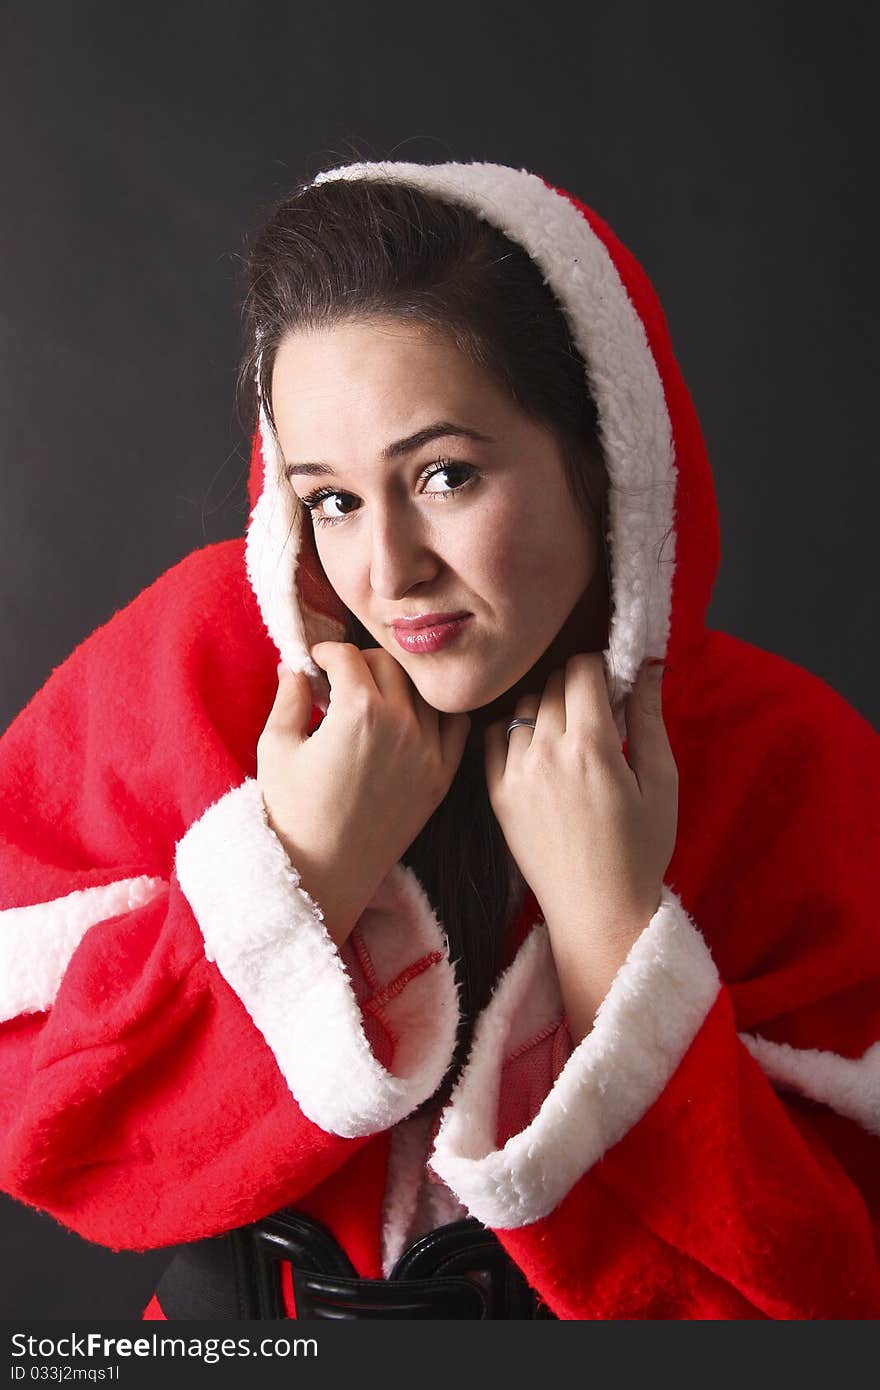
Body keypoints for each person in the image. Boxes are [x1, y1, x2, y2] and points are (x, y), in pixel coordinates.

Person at [0, 159, 877, 1322]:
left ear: (605, 458)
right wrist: (296, 872)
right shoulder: (194, 674)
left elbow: (825, 1295)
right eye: (333, 499)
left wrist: (612, 935)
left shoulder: (785, 760)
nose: (387, 569)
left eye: (444, 474)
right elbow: (53, 1135)